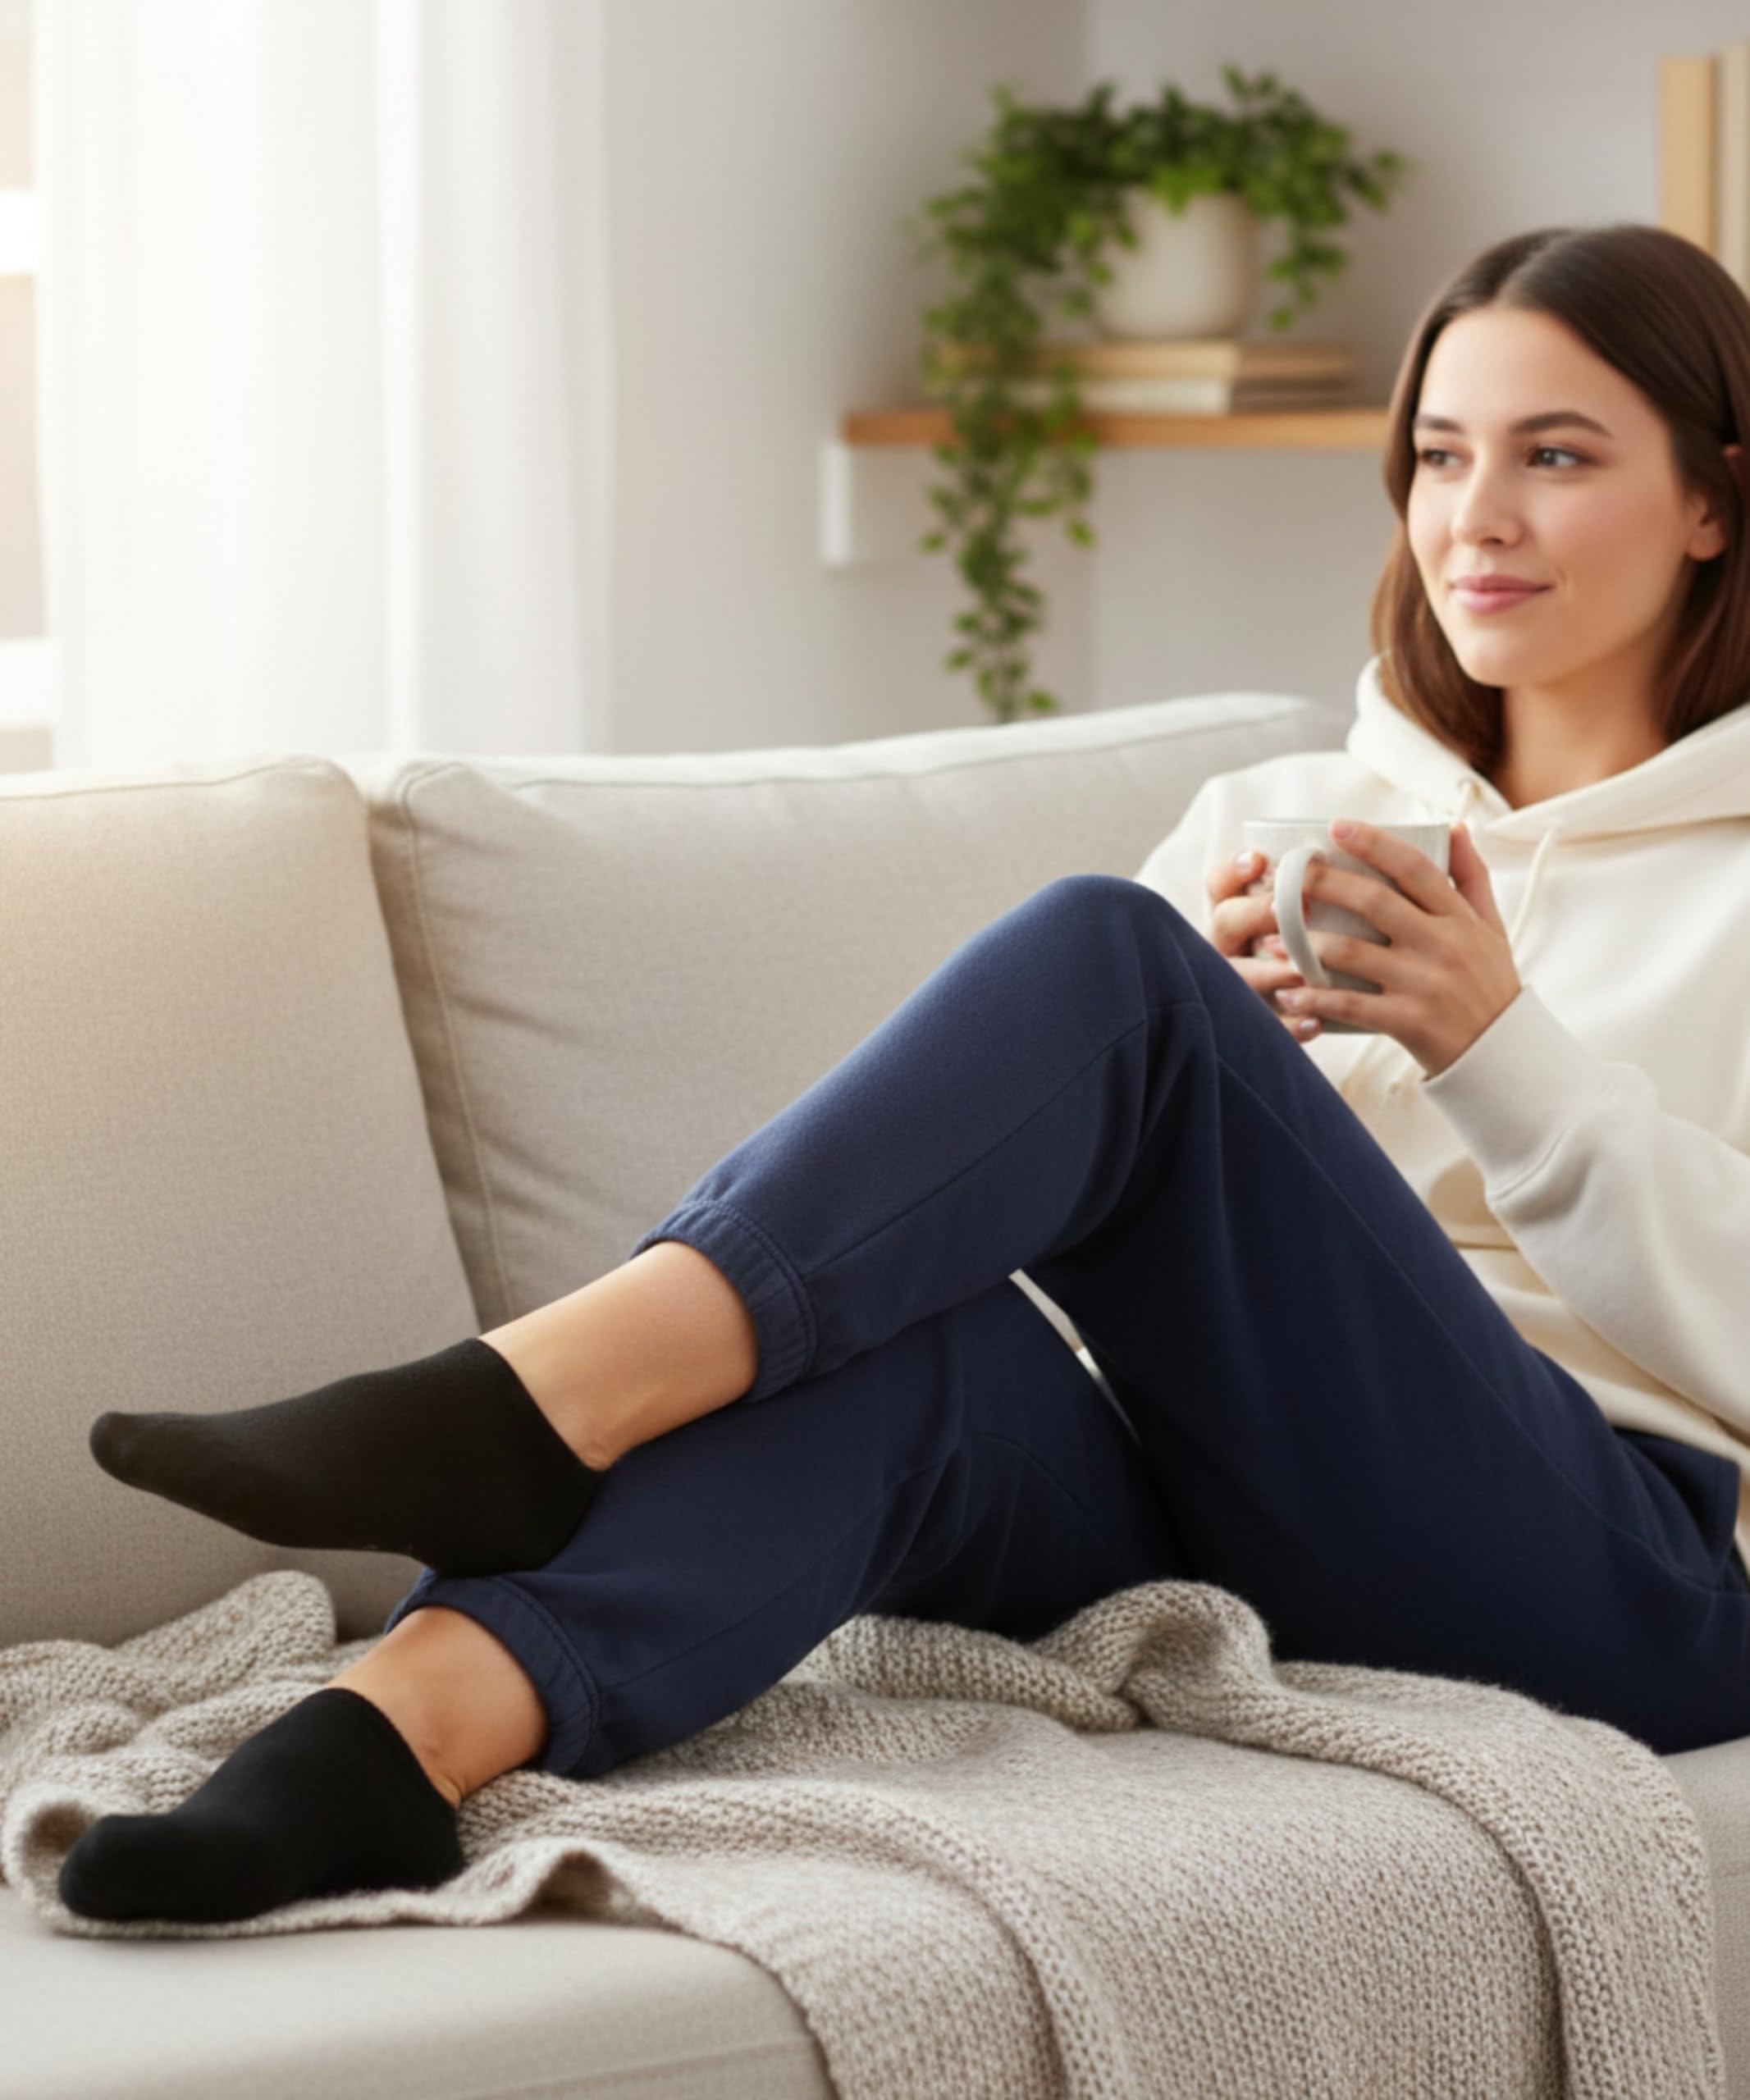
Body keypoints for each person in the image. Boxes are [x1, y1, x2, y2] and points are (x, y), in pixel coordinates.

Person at [60, 220, 1750, 1927]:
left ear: (1706, 499)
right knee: (905, 1336)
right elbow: (1034, 1231)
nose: (1475, 514)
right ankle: (378, 1748)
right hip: (1234, 1502)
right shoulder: (1276, 820)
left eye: (1555, 455)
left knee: (1110, 955)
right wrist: (1231, 1102)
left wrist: (1493, 1048)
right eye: (1439, 455)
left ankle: (516, 1402)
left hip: (1614, 1562)